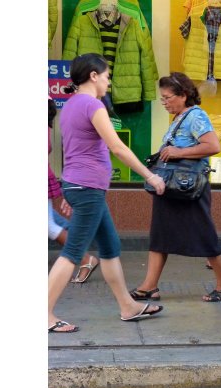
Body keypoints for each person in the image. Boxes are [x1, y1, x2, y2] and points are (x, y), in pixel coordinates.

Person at [48, 53, 165, 333]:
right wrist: (150, 175)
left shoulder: (71, 105)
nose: (108, 82)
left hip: (83, 186)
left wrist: (68, 191)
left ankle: (128, 306)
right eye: (107, 76)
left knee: (111, 247)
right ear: (93, 75)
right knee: (73, 251)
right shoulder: (92, 105)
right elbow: (117, 147)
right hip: (87, 188)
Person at [130, 72, 221, 303]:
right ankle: (150, 286)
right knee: (160, 234)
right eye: (163, 99)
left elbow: (213, 145)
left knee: (204, 233)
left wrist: (179, 152)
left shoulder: (195, 116)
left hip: (190, 188)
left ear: (184, 95)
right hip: (172, 187)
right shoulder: (180, 117)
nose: (165, 102)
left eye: (168, 98)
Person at [48, 97, 99, 283]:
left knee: (48, 225)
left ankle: (85, 258)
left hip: (88, 183)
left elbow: (116, 148)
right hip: (84, 183)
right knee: (109, 245)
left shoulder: (90, 107)